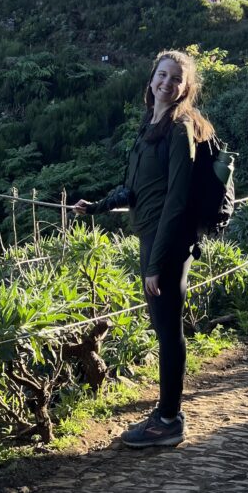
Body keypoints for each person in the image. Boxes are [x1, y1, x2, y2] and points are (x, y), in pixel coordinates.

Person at [73, 49, 213, 448]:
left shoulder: (180, 128)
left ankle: (169, 420)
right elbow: (135, 189)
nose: (167, 83)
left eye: (176, 78)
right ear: (151, 80)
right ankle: (167, 414)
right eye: (162, 75)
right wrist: (97, 206)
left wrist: (157, 261)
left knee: (169, 331)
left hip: (167, 241)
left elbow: (176, 201)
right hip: (153, 236)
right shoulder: (152, 125)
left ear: (186, 88)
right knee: (163, 326)